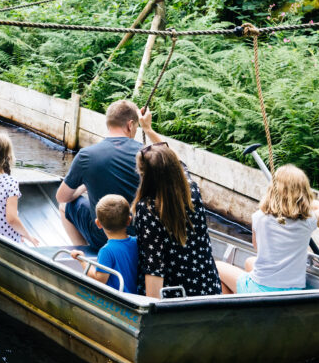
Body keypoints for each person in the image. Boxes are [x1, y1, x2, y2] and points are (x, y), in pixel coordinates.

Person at [55, 100, 163, 249]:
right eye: (137, 127)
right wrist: (148, 128)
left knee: (64, 205)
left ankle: (84, 253)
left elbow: (62, 196)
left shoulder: (86, 156)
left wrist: (84, 186)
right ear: (130, 125)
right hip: (143, 237)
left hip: (103, 238)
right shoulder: (147, 154)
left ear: (108, 123)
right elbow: (175, 165)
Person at [218, 165, 319, 294]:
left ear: (273, 190)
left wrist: (287, 200)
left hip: (261, 289)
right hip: (293, 291)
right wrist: (300, 202)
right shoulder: (308, 220)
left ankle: (237, 306)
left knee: (216, 267)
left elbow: (259, 249)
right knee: (250, 262)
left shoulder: (259, 217)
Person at [132, 142, 221, 298]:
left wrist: (154, 312)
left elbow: (154, 266)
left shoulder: (147, 209)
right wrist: (149, 130)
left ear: (144, 176)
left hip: (175, 299)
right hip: (209, 289)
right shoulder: (192, 190)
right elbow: (178, 163)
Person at [70, 194, 139, 294]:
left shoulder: (106, 251)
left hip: (118, 301)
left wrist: (82, 261)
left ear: (98, 224)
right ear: (129, 220)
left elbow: (99, 280)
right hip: (137, 297)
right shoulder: (137, 242)